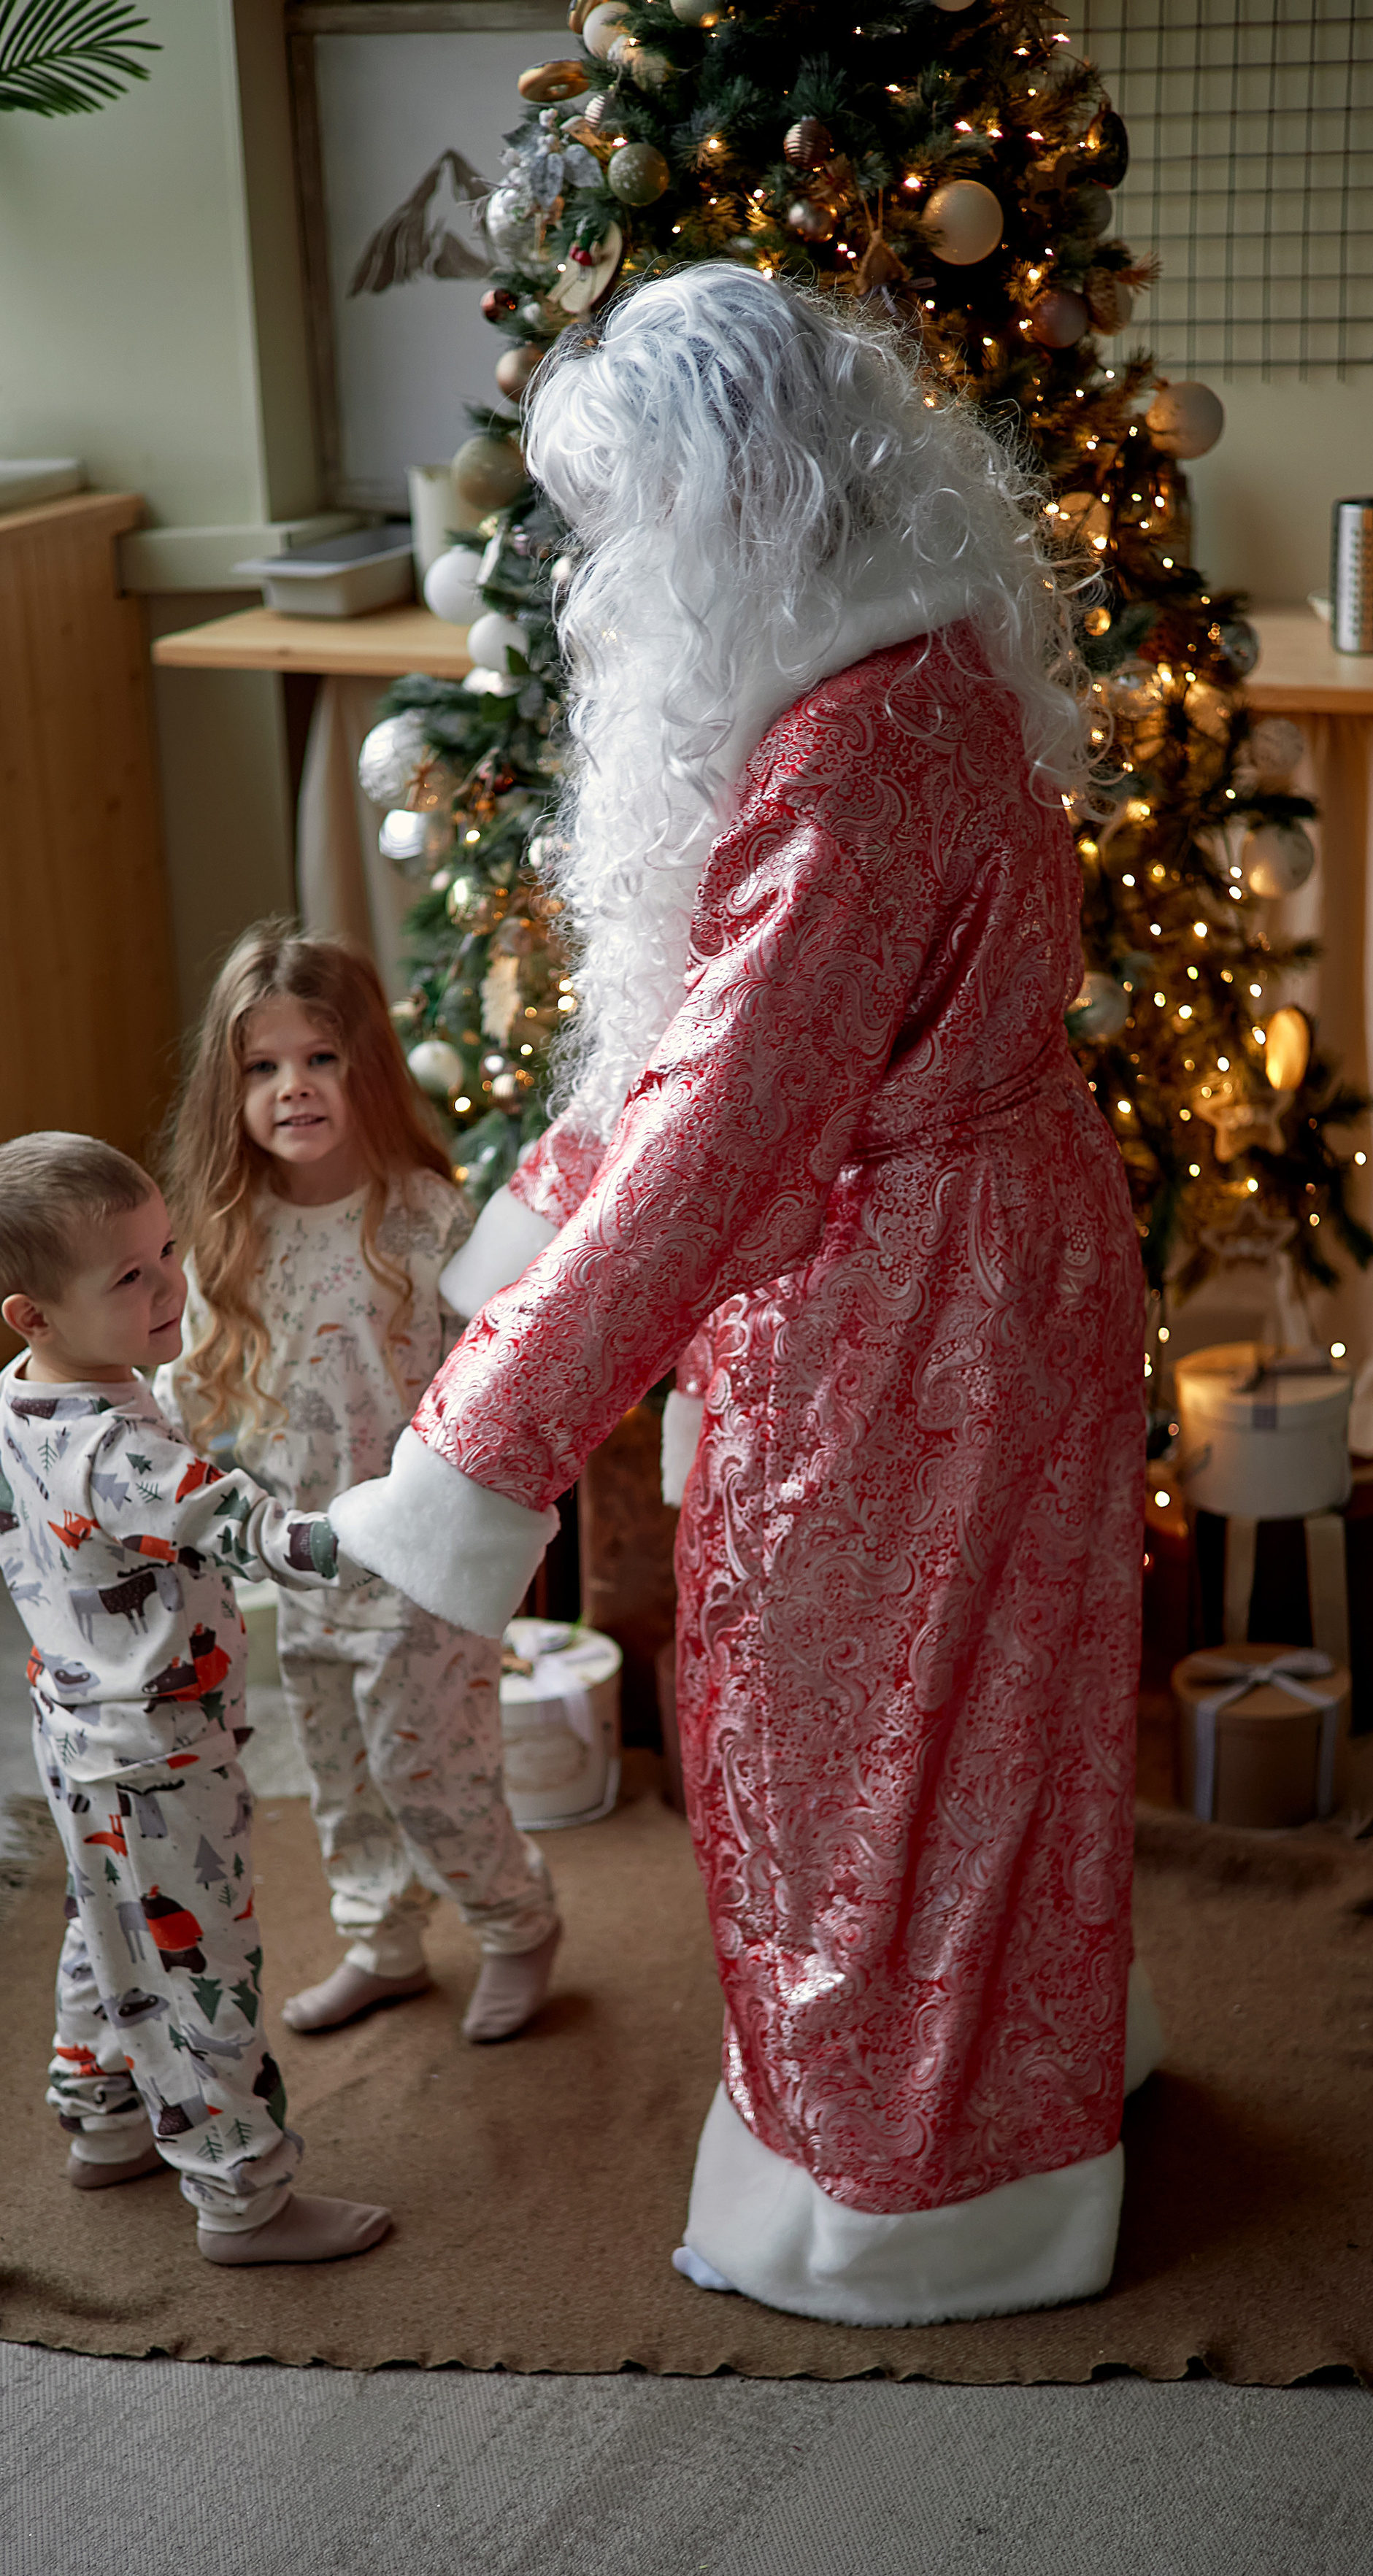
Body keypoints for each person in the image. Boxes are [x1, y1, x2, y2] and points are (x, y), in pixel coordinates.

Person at [334, 263, 1162, 2329]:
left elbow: (723, 1122)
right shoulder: (927, 663)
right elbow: (704, 1045)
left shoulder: (846, 744)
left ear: (723, 504)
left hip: (910, 1308)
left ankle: (896, 2199)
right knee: (994, 1710)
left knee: (844, 1734)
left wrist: (482, 1443)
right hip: (1013, 1253)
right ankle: (1012, 2109)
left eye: (625, 520)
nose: (605, 574)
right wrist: (538, 1228)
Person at [0, 1131, 393, 2266]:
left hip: (78, 1726)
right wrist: (404, 1526)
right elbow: (256, 1532)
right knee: (203, 1970)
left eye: (166, 1251)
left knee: (109, 1928)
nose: (171, 1285)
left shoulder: (20, 1396)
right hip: (156, 1751)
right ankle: (243, 2197)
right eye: (130, 1276)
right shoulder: (116, 1450)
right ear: (33, 1315)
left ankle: (102, 2119)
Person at [161, 926, 561, 2045]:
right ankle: (383, 1940)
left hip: (421, 1557)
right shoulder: (230, 1235)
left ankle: (516, 1921)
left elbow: (499, 1375)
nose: (292, 1086)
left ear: (368, 1067)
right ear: (231, 1088)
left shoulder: (423, 1217)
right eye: (263, 1066)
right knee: (339, 1769)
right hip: (305, 1557)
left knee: (429, 1767)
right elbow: (188, 1388)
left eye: (321, 1058)